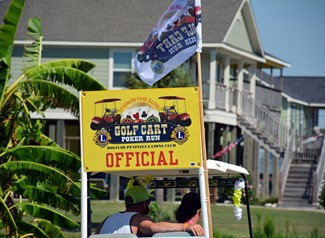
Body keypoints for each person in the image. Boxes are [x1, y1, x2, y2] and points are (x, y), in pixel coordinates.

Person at [96, 185, 204, 237]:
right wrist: (185, 227)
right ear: (144, 203)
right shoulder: (139, 219)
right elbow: (153, 227)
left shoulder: (107, 219)